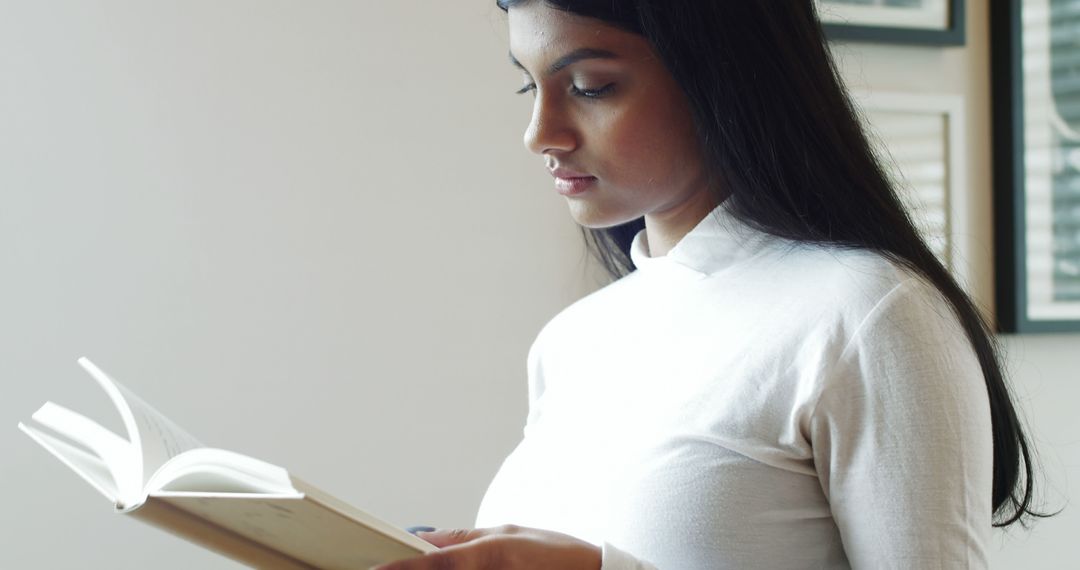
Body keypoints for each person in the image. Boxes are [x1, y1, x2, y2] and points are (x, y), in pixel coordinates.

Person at [374, 1, 1046, 568]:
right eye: (529, 85)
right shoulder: (572, 341)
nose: (538, 132)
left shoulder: (868, 312)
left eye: (589, 86)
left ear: (724, 77)